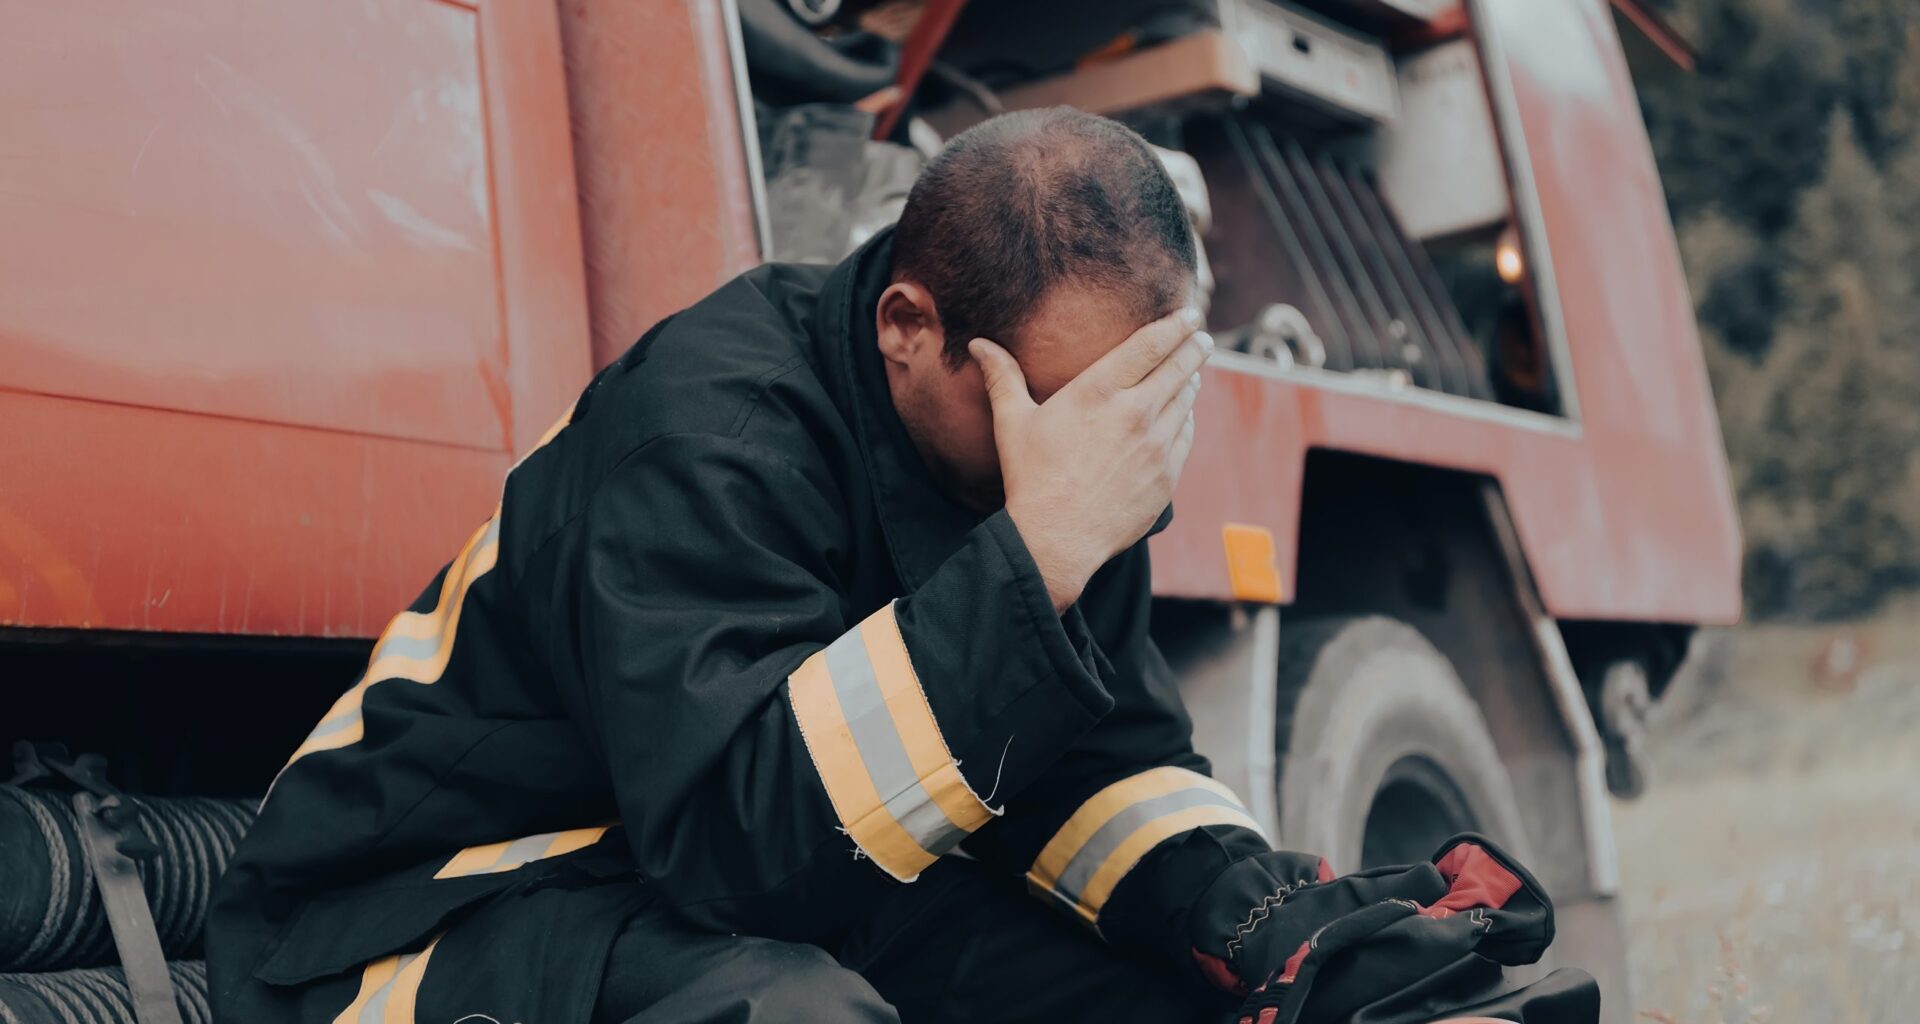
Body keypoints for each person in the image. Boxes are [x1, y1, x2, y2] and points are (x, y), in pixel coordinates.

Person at [208, 107, 1584, 1024]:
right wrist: (1040, 551)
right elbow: (737, 852)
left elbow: (1086, 762)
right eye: (1043, 414)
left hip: (697, 889)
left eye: (1125, 412)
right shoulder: (709, 428)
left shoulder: (1039, 426)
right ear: (907, 327)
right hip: (419, 915)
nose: (1084, 457)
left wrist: (1254, 914)